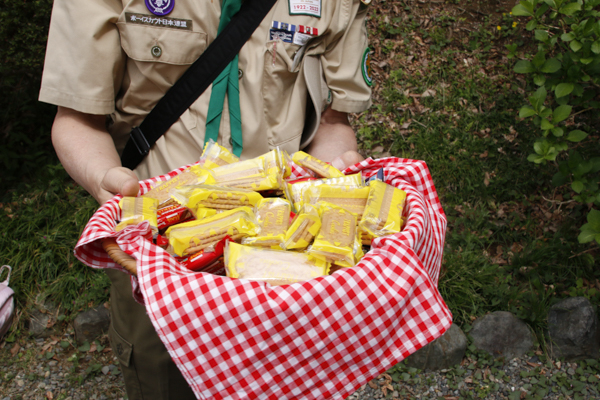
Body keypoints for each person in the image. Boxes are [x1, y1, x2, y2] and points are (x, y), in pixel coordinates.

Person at [39, 0, 373, 398]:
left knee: (280, 383)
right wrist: (105, 180)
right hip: (156, 253)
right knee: (161, 381)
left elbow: (334, 122)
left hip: (281, 257)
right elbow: (77, 118)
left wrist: (328, 185)